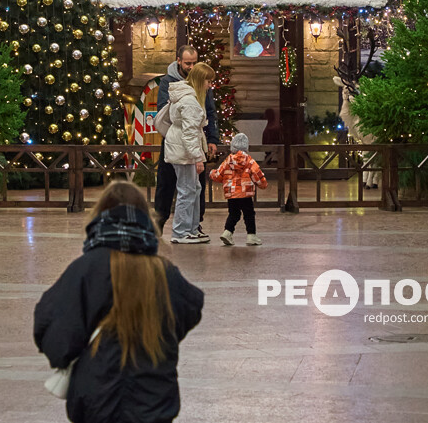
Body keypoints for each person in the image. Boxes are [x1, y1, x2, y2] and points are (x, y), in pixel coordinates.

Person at [34, 180, 204, 423]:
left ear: (99, 216)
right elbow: (191, 307)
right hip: (154, 396)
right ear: (145, 218)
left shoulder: (84, 270)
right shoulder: (164, 272)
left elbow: (52, 327)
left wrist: (73, 357)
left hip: (95, 398)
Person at [154, 46, 220, 239]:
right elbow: (167, 115)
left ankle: (193, 225)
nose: (191, 67)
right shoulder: (169, 83)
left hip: (192, 143)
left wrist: (212, 139)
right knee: (171, 185)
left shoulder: (200, 84)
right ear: (178, 61)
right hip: (177, 143)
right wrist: (196, 154)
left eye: (194, 63)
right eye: (187, 63)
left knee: (195, 186)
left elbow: (209, 112)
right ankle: (166, 224)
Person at [209, 133, 268, 246]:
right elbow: (257, 175)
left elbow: (218, 175)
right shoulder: (249, 161)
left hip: (231, 193)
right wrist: (263, 184)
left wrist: (212, 173)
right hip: (245, 194)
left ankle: (227, 232)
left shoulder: (228, 161)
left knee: (233, 214)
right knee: (249, 214)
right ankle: (251, 236)